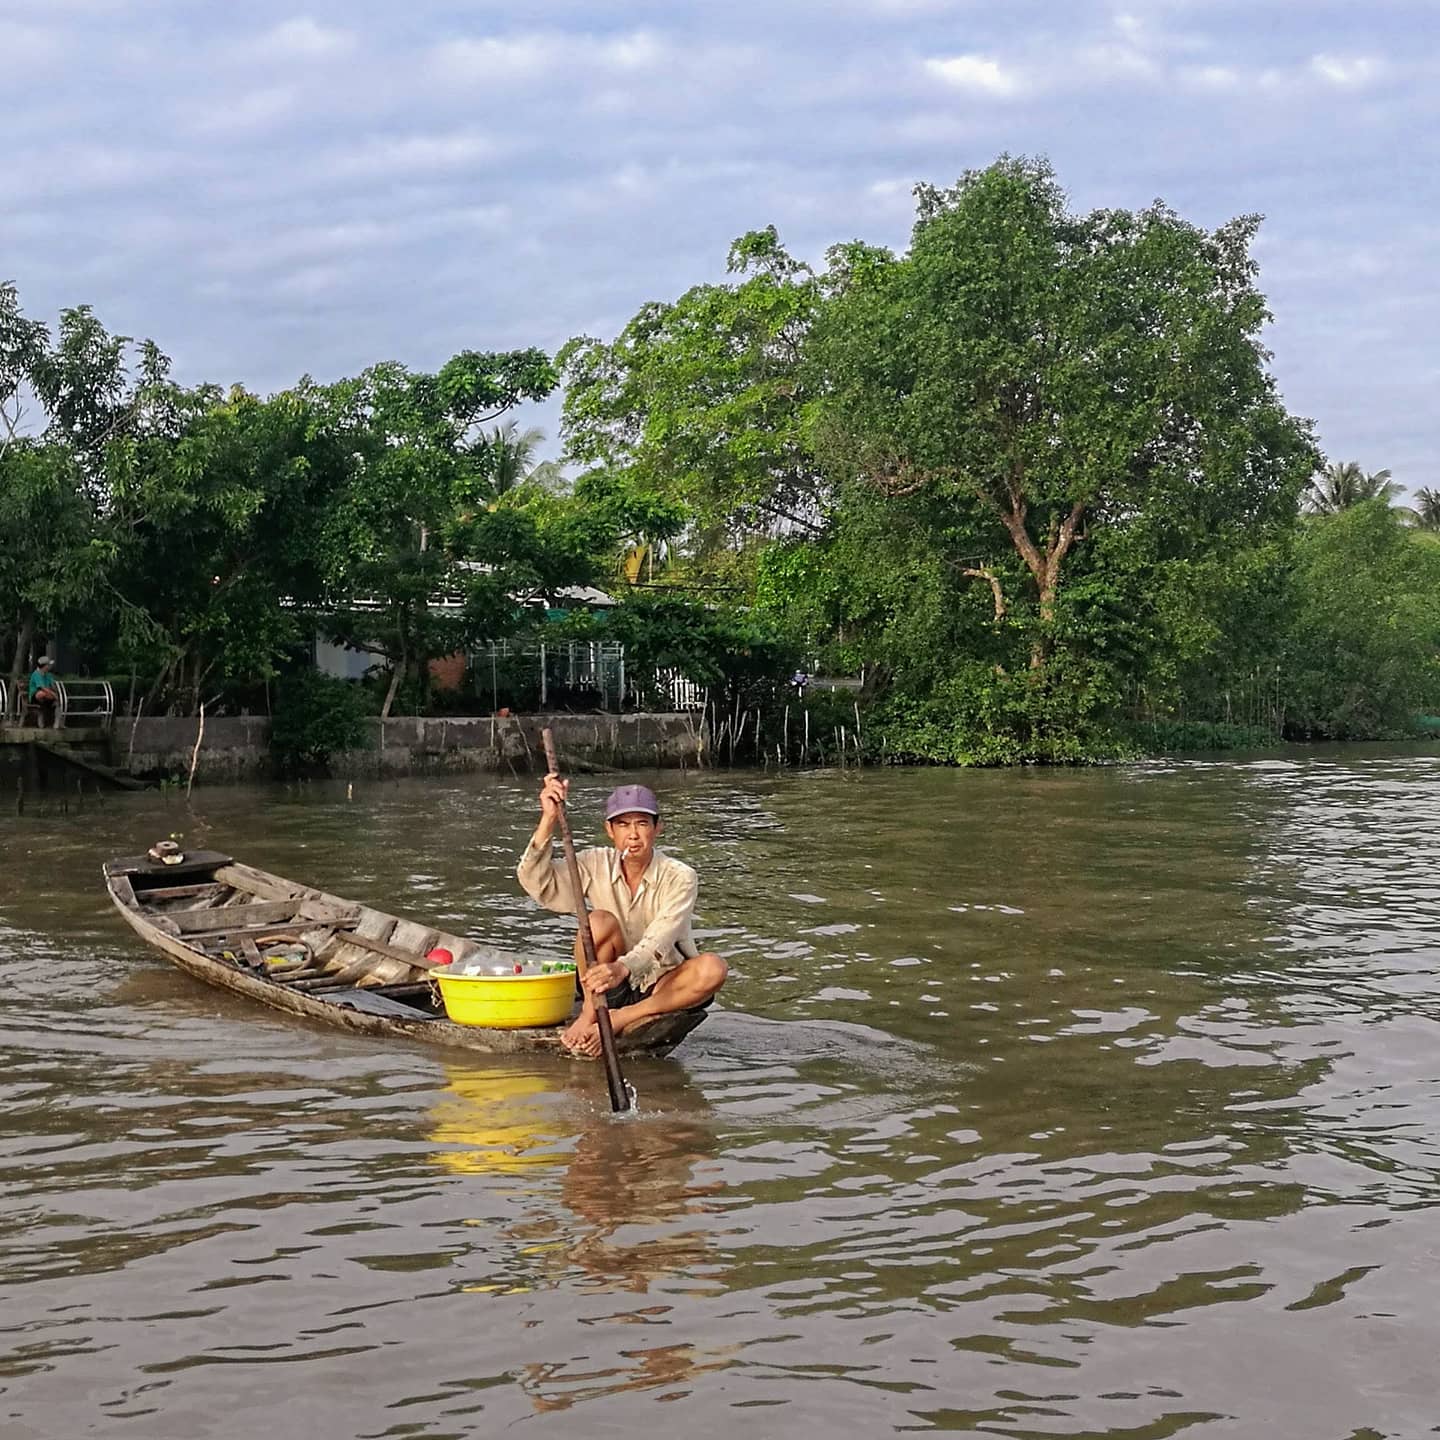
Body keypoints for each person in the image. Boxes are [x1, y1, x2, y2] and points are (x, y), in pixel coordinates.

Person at [517, 777, 727, 1058]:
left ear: (657, 828)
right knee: (597, 922)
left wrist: (624, 968)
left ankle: (621, 1018)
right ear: (609, 830)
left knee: (713, 967)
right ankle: (591, 1011)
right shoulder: (594, 862)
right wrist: (549, 819)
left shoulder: (681, 876)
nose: (633, 835)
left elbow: (662, 935)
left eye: (642, 824)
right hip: (607, 984)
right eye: (623, 825)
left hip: (661, 984)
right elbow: (537, 882)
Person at [27, 656, 59, 726]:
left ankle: (57, 723)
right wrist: (53, 694)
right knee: (41, 693)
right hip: (35, 697)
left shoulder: (48, 675)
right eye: (48, 665)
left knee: (56, 701)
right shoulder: (36, 674)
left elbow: (53, 686)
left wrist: (54, 691)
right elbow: (42, 687)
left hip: (47, 696)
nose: (50, 666)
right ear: (45, 666)